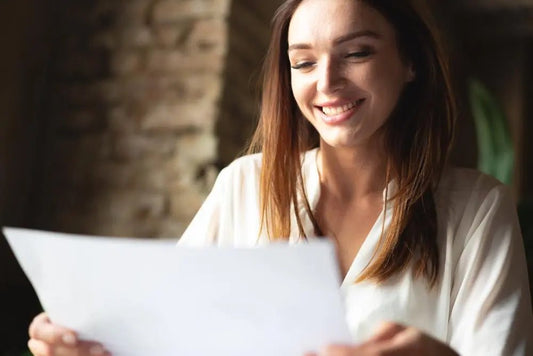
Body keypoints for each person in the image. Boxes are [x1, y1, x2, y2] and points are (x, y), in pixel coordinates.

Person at [27, 0, 533, 355]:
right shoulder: (243, 187)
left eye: (357, 53)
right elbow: (165, 341)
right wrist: (92, 348)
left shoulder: (476, 209)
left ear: (410, 63)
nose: (327, 82)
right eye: (304, 62)